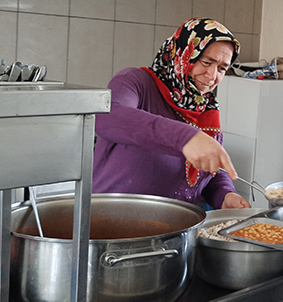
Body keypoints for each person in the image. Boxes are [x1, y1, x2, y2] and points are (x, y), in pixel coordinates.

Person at [93, 18, 250, 210]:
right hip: (113, 225)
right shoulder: (136, 82)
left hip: (174, 231)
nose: (212, 75)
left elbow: (208, 170)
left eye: (222, 68)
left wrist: (224, 194)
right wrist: (186, 138)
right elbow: (107, 116)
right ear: (184, 54)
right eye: (207, 62)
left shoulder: (205, 109)